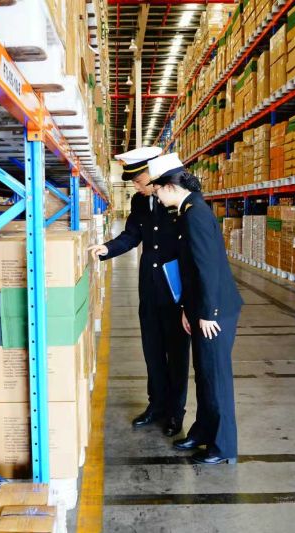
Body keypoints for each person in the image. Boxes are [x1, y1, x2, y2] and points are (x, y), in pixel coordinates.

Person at [146, 152, 243, 465]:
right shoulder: (187, 210)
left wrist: (208, 313)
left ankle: (223, 446)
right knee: (204, 376)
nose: (156, 196)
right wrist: (189, 310)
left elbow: (207, 267)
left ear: (170, 186)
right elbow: (190, 271)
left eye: (157, 190)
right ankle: (202, 431)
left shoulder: (195, 214)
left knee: (216, 379)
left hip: (216, 312)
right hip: (201, 307)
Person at [88, 146, 190, 437]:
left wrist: (191, 299)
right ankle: (156, 405)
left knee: (177, 355)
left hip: (176, 291)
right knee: (152, 350)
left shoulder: (179, 199)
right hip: (149, 288)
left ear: (153, 174)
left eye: (138, 180)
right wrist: (107, 248)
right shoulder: (139, 201)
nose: (135, 186)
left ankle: (175, 412)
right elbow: (132, 235)